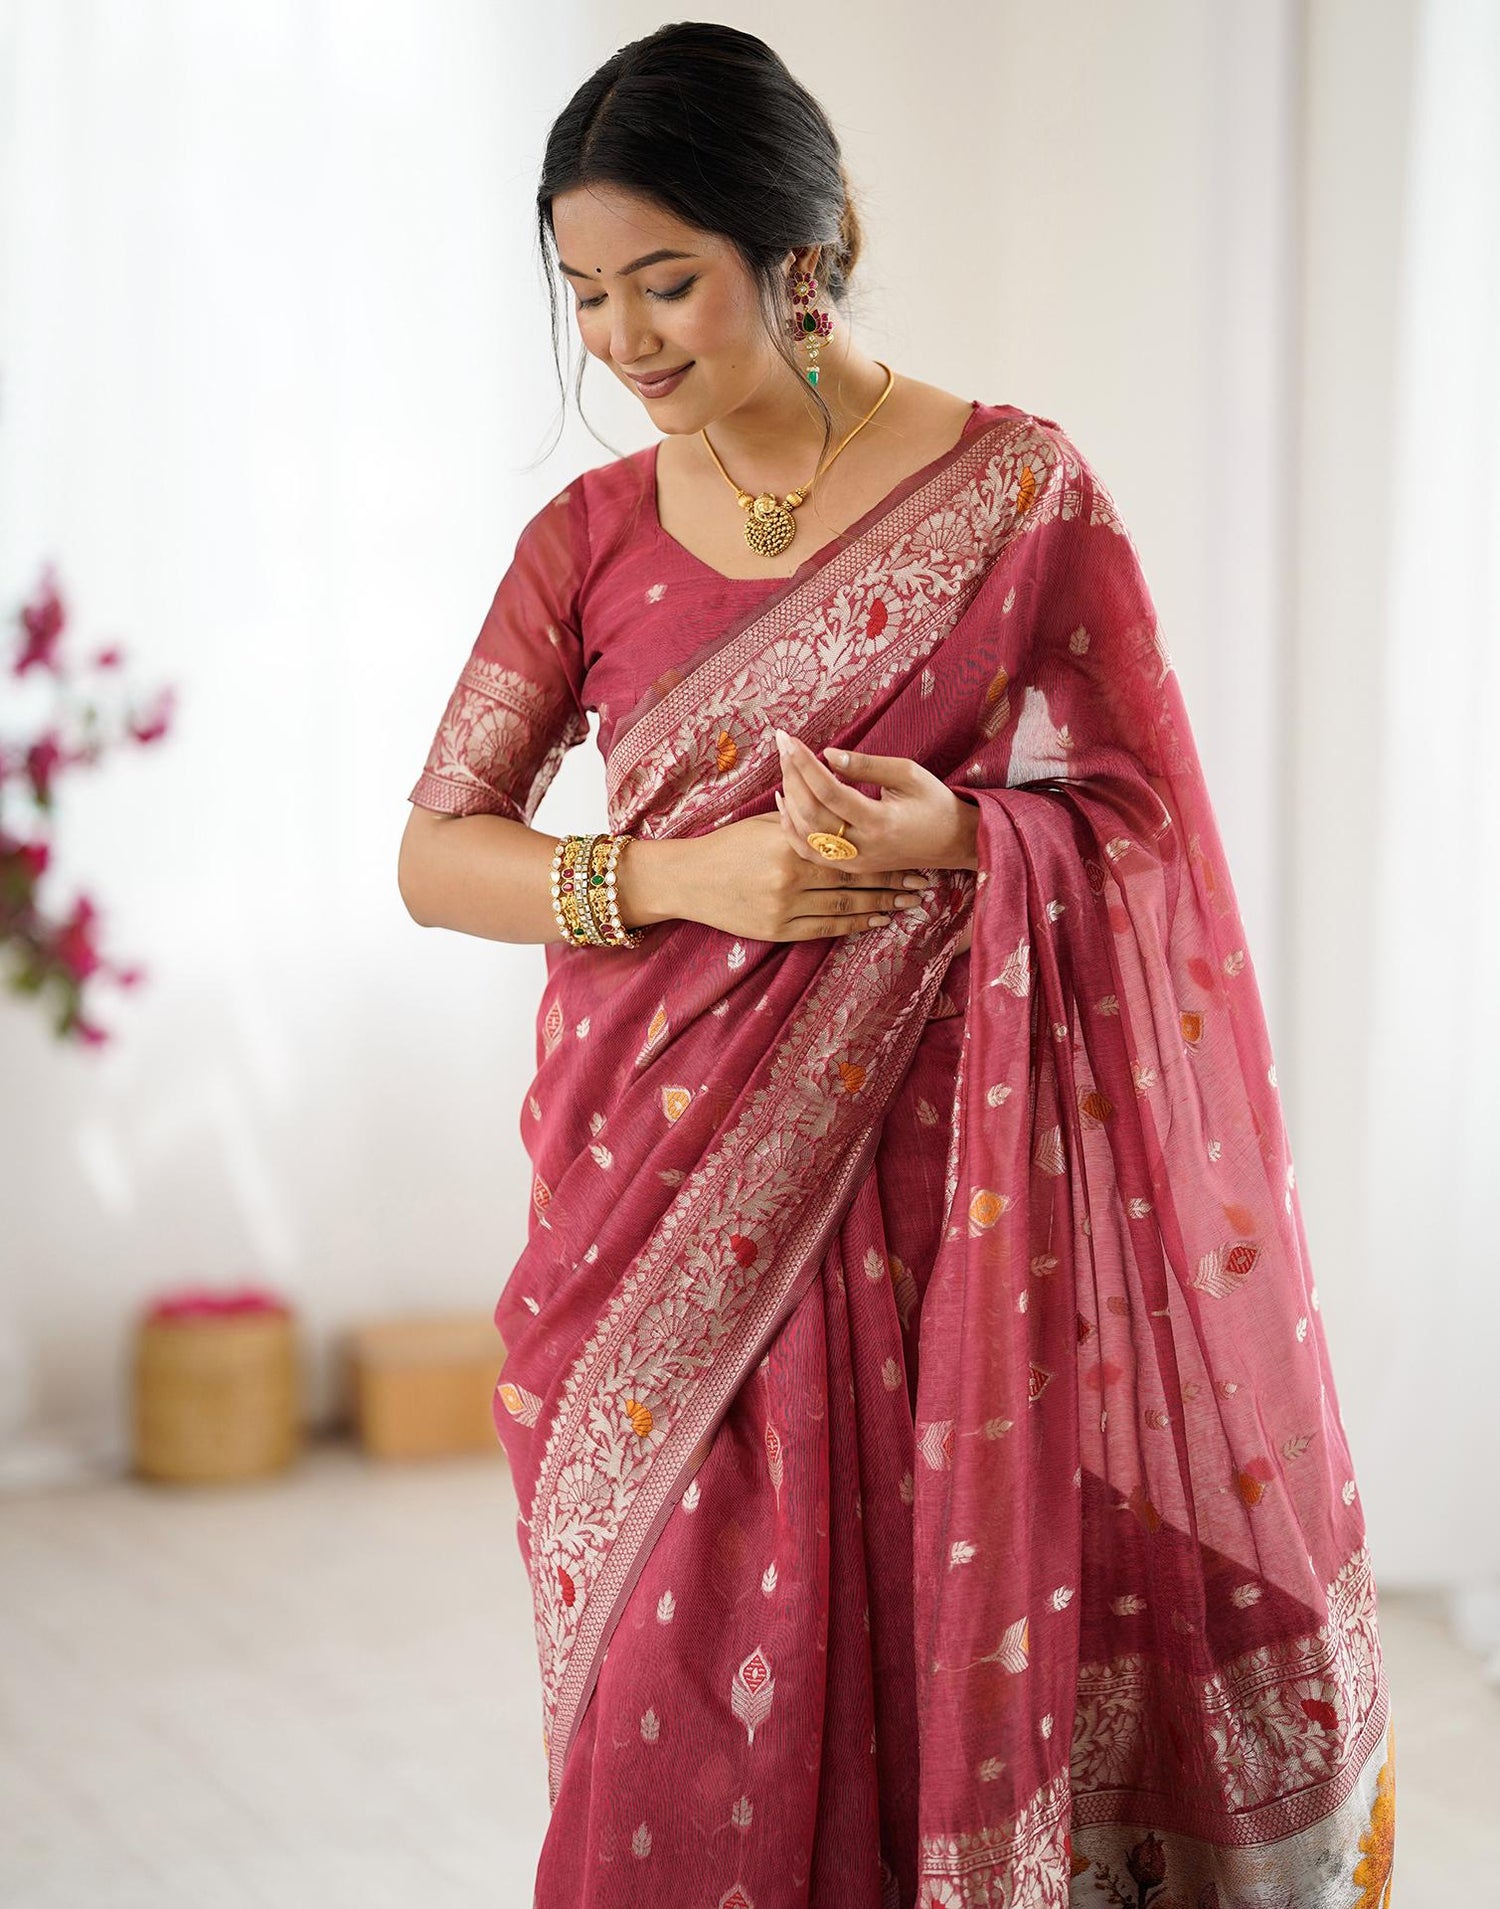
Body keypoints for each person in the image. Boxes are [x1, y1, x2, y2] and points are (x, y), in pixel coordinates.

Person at [397, 23, 1394, 1909]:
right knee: (678, 1699)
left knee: (934, 1633)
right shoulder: (586, 540)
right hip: (655, 1203)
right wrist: (688, 874)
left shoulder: (1018, 493)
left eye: (667, 281)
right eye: (586, 294)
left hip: (957, 1204)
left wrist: (957, 836)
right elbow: (439, 853)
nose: (623, 341)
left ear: (802, 243)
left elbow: (1149, 827)